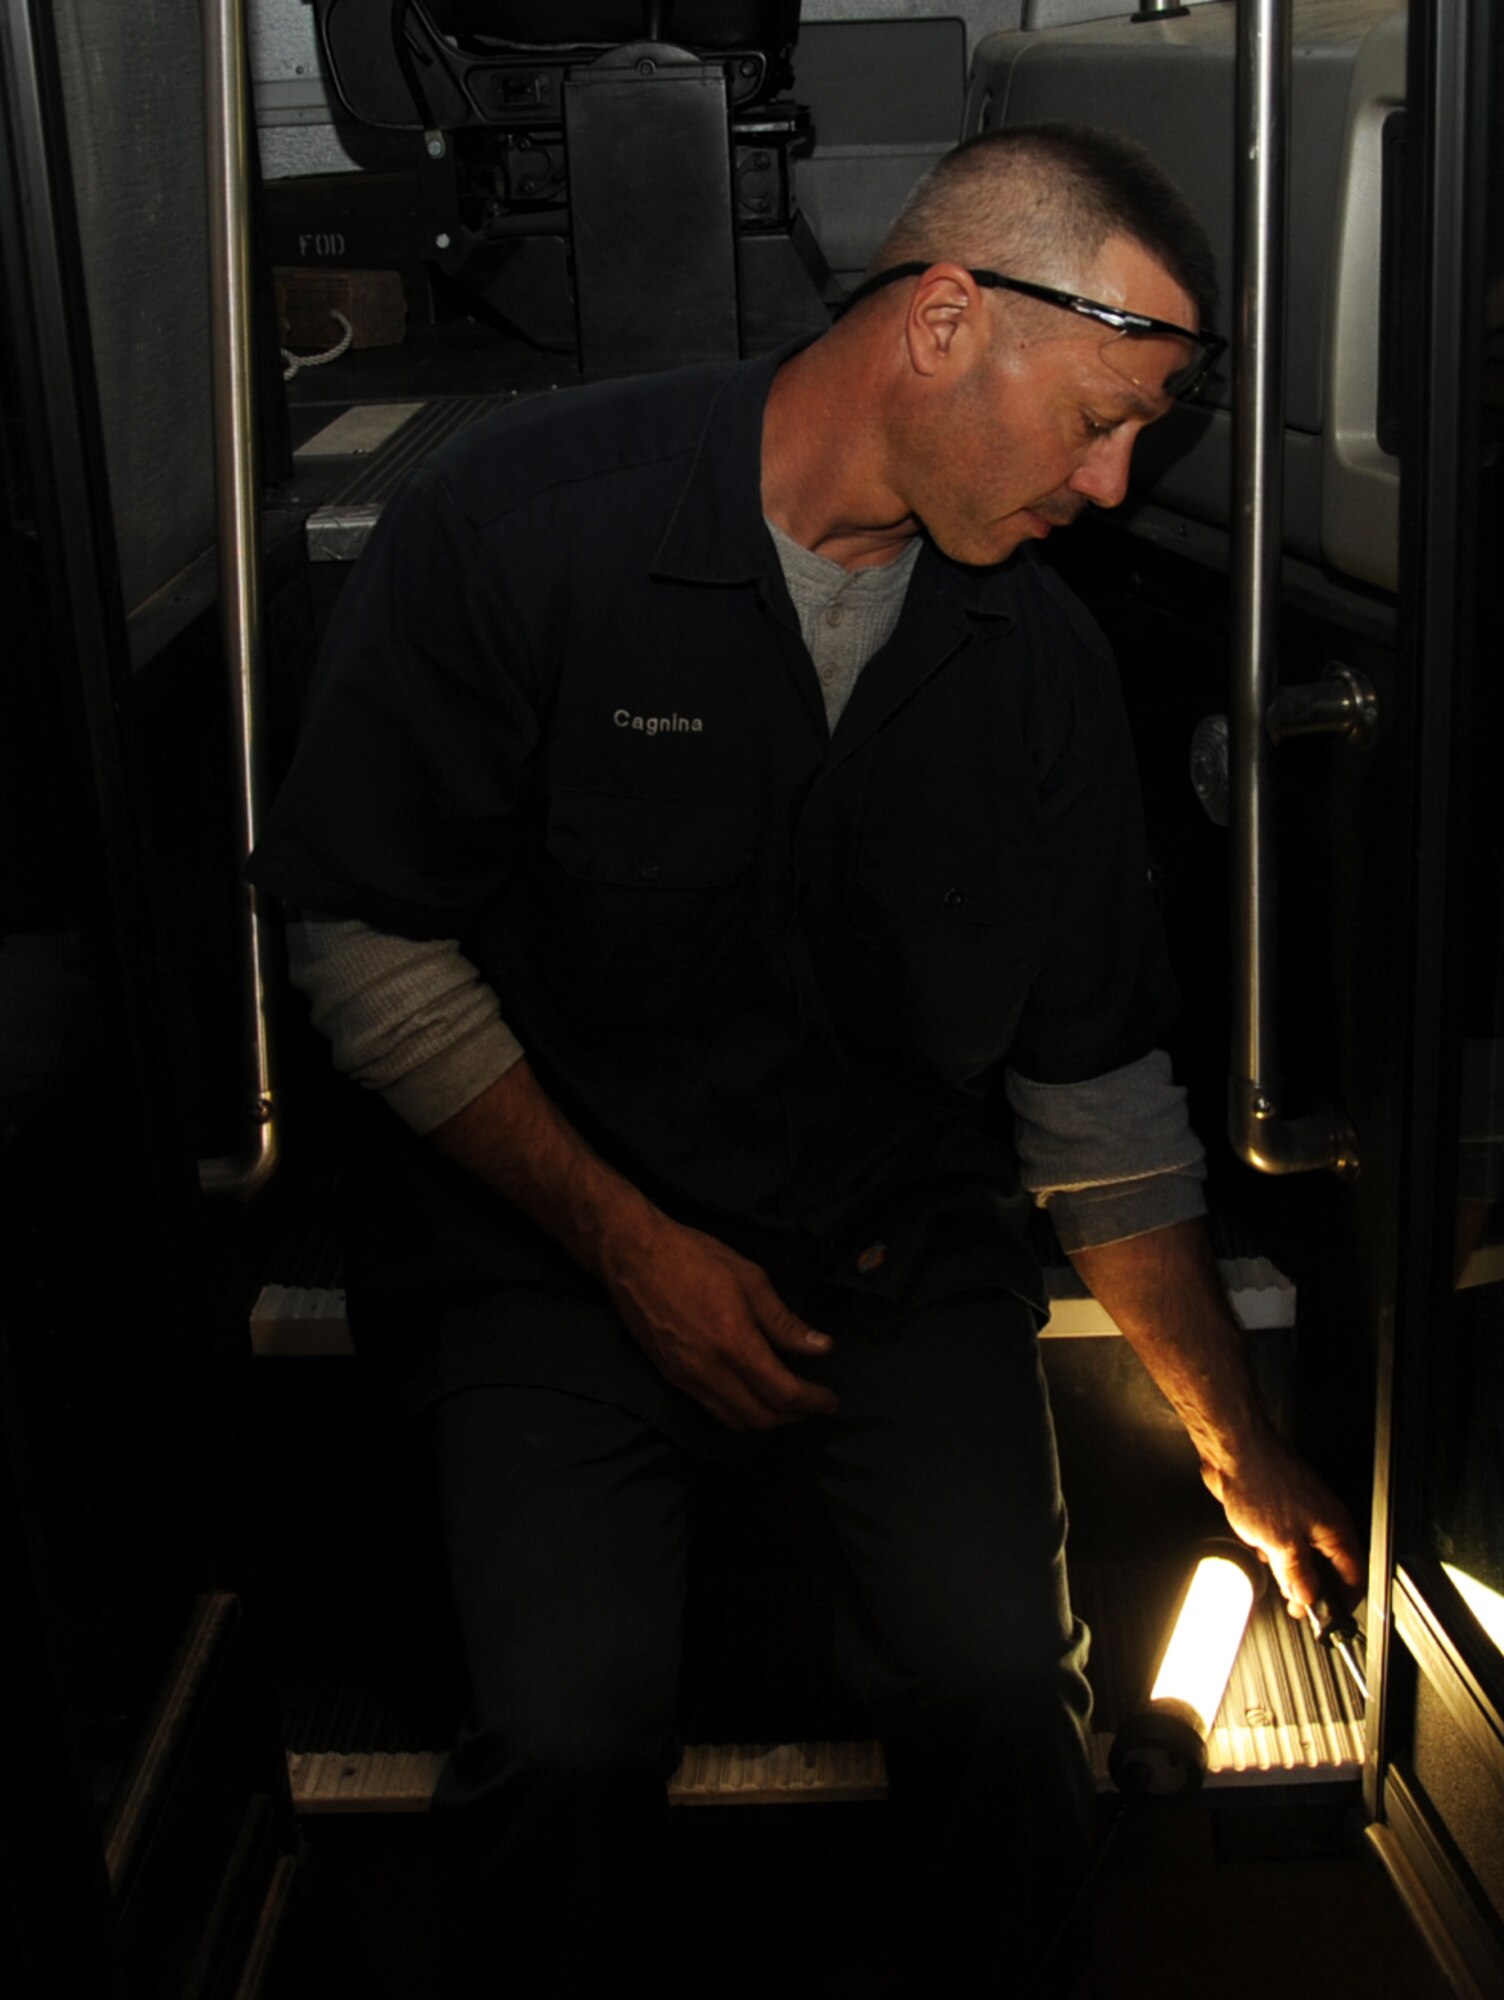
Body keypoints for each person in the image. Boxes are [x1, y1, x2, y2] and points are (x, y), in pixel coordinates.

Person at [252, 124, 1363, 1997]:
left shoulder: (1044, 665)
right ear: (946, 320)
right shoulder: (531, 526)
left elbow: (1097, 1100)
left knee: (1010, 1693)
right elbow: (364, 931)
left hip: (888, 1235)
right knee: (571, 1734)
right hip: (556, 1239)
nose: (1110, 488)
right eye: (1099, 420)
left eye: (1141, 444)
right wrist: (625, 1249)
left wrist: (1239, 1442)